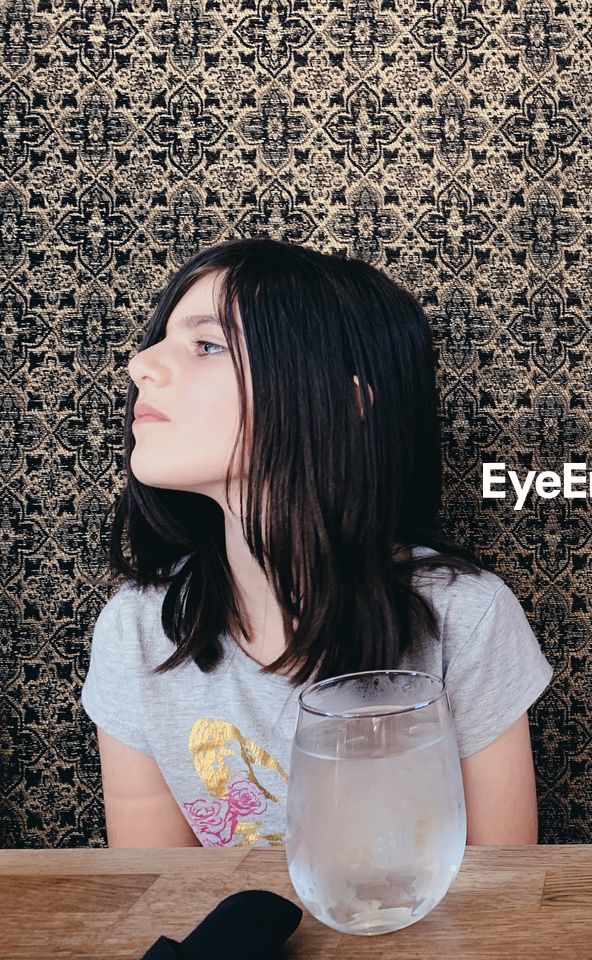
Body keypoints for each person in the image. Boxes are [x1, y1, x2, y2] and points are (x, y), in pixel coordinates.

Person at [80, 237, 554, 848]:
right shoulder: (137, 632)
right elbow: (158, 900)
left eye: (206, 345)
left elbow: (501, 893)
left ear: (344, 399)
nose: (140, 364)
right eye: (161, 340)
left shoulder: (466, 618)